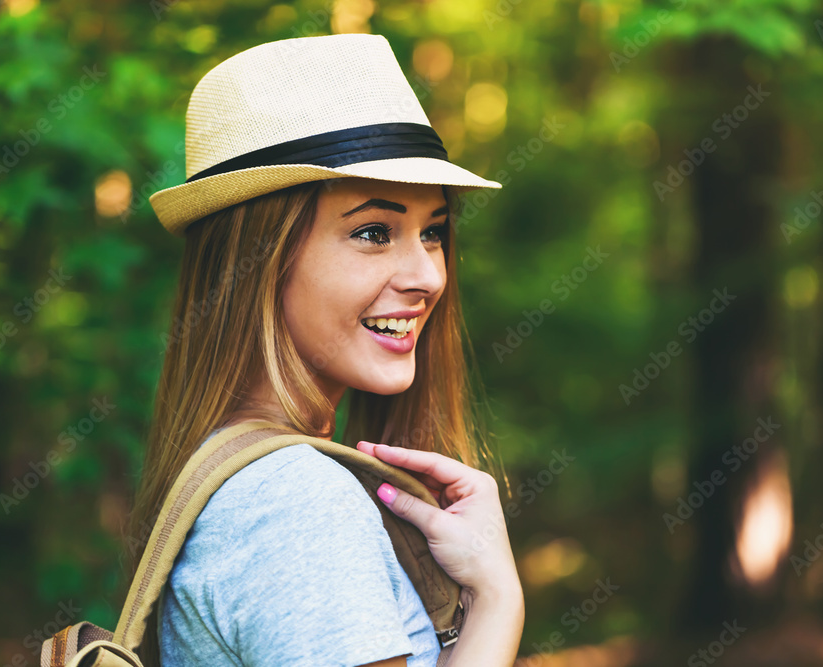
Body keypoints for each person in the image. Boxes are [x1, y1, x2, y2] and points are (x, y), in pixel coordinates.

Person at [125, 33, 524, 666]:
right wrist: (500, 600)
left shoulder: (251, 478)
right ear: (256, 259)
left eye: (434, 232)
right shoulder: (293, 502)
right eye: (373, 232)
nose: (427, 275)